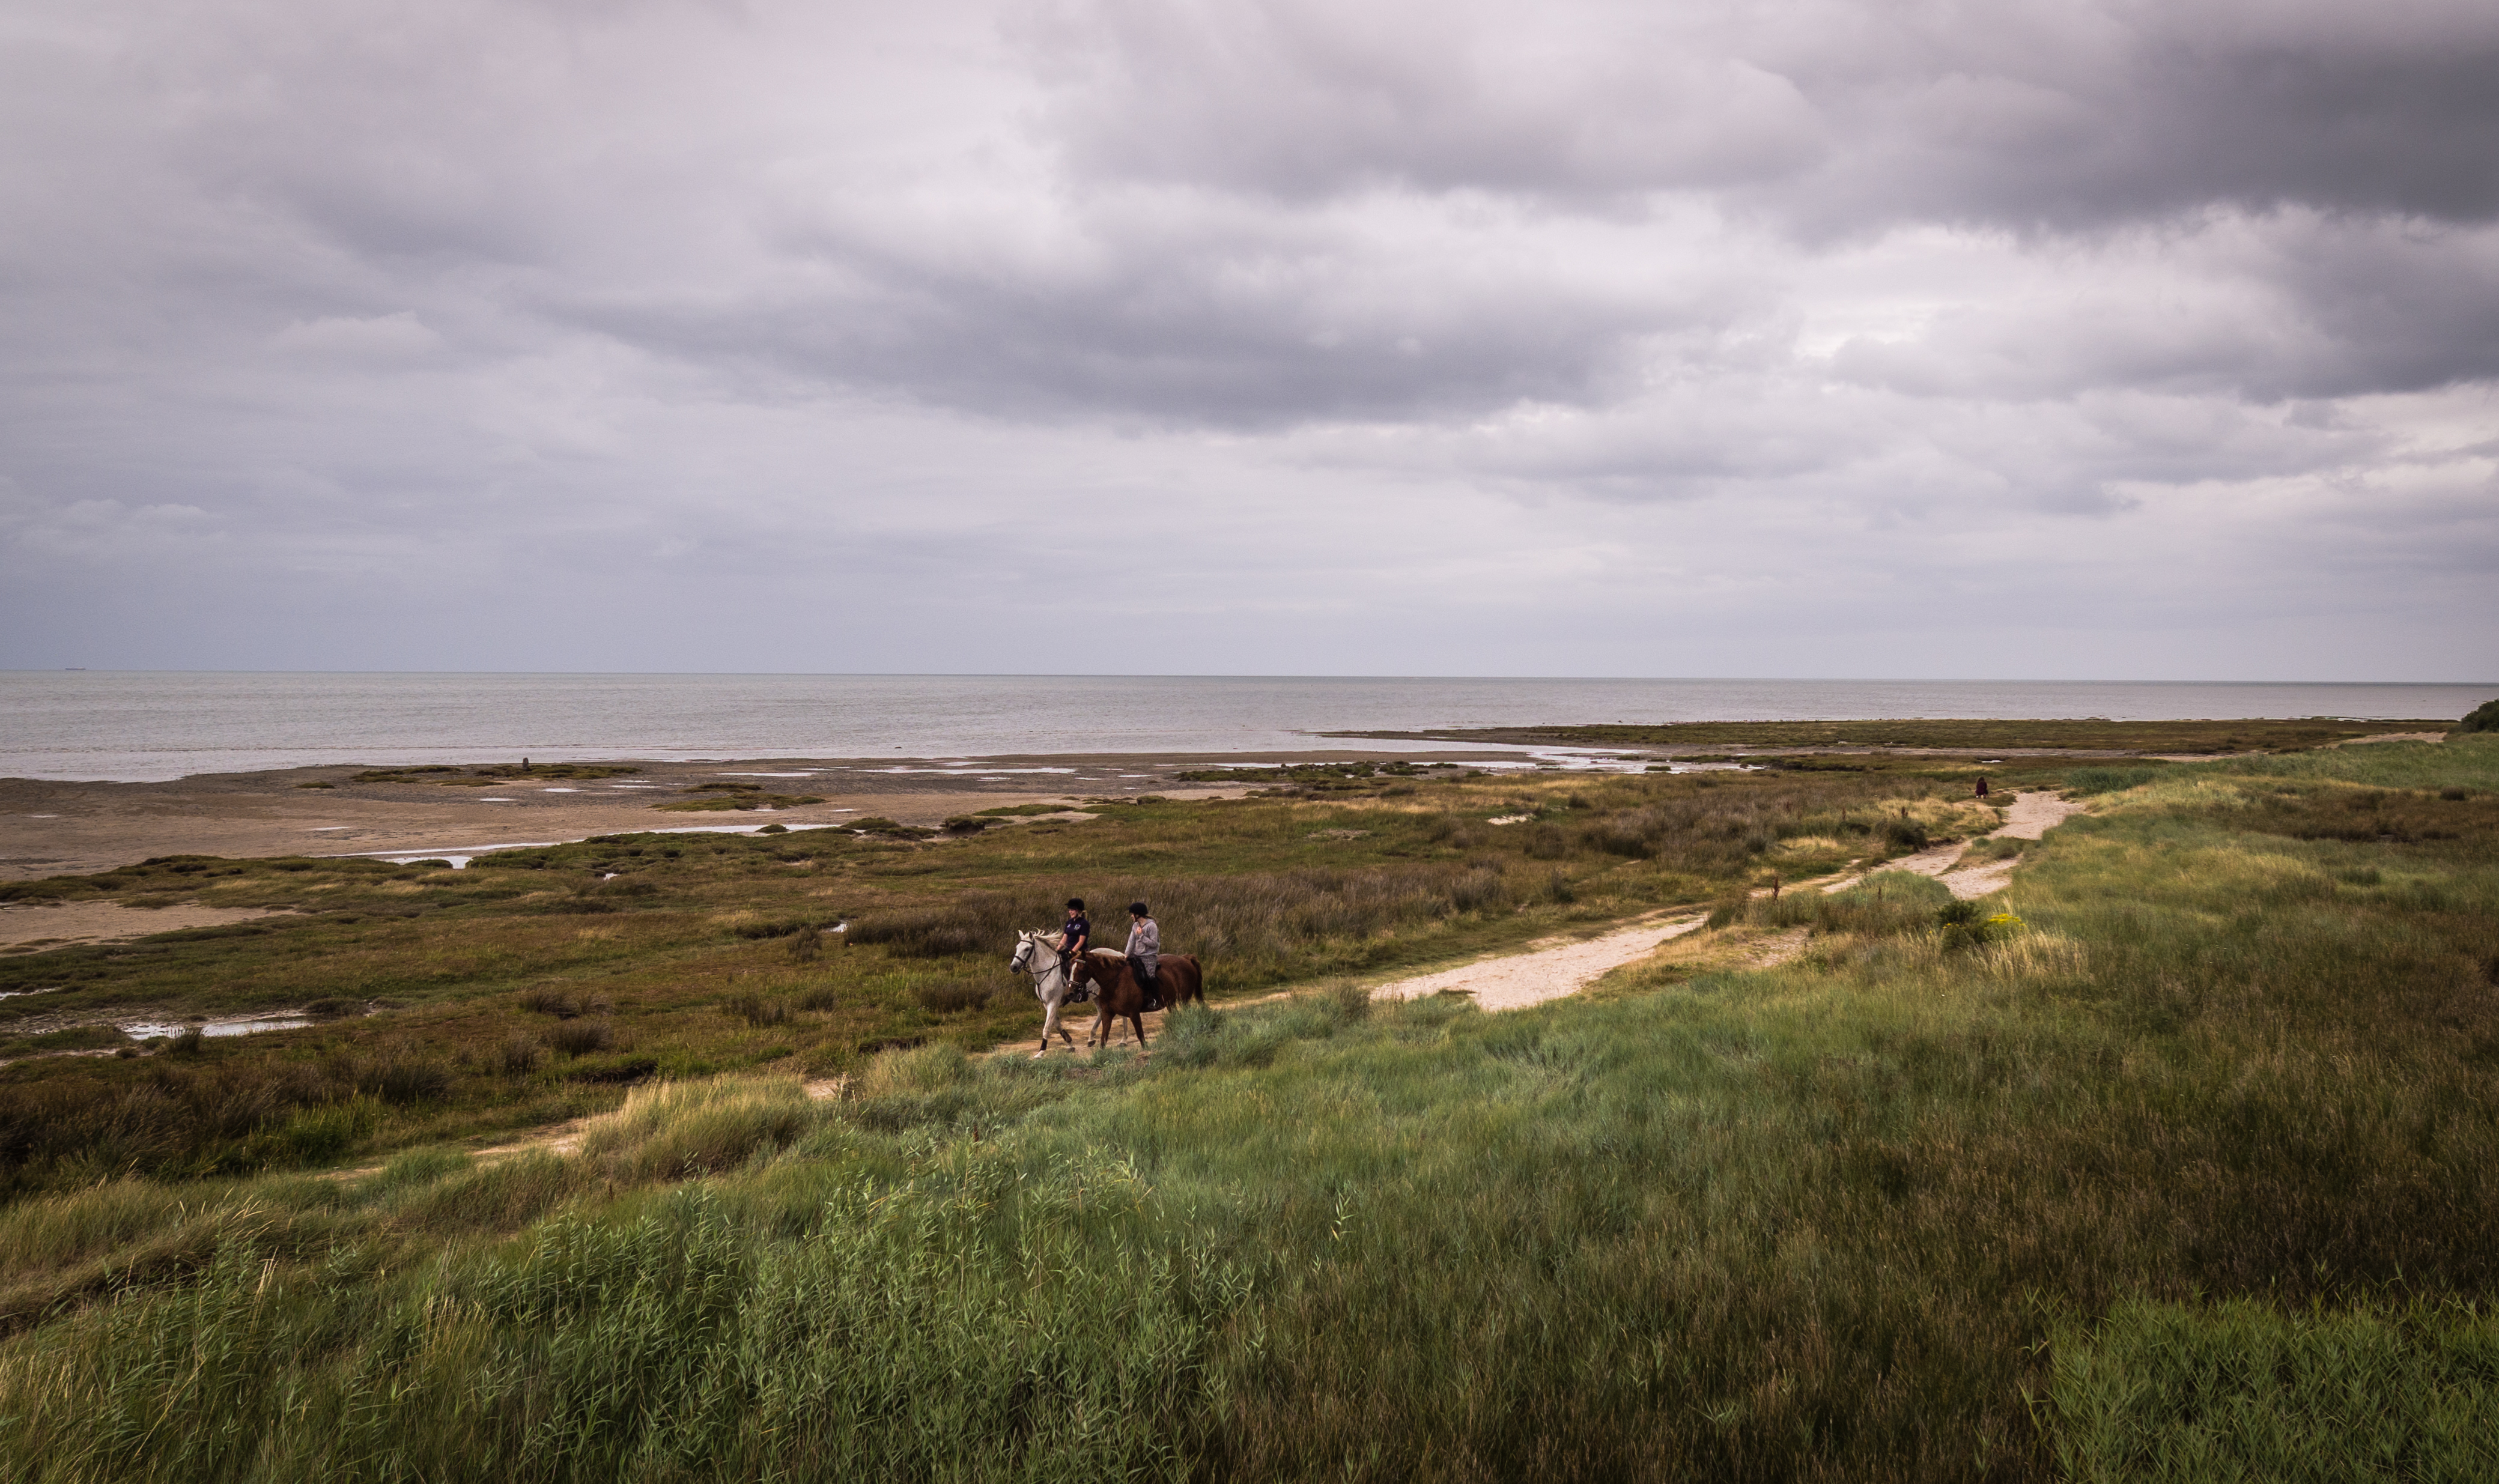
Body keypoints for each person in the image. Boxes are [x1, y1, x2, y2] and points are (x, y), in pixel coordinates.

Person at [1125, 901, 1161, 1011]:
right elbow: (1131, 942)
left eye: (1132, 914)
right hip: (1136, 954)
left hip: (1149, 956)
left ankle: (1156, 1000)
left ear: (1138, 914)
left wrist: (1141, 936)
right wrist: (1126, 955)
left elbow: (1154, 943)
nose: (1131, 916)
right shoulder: (1135, 925)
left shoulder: (1152, 926)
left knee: (1150, 976)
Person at [1059, 898, 1092, 998]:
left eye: (1072, 910)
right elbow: (1065, 937)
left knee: (1074, 967)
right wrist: (1058, 949)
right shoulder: (1069, 922)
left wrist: (1072, 952)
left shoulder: (1084, 923)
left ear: (1078, 910)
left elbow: (1081, 941)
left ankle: (1081, 990)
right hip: (1069, 949)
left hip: (1080, 951)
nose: (1070, 912)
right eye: (1069, 910)